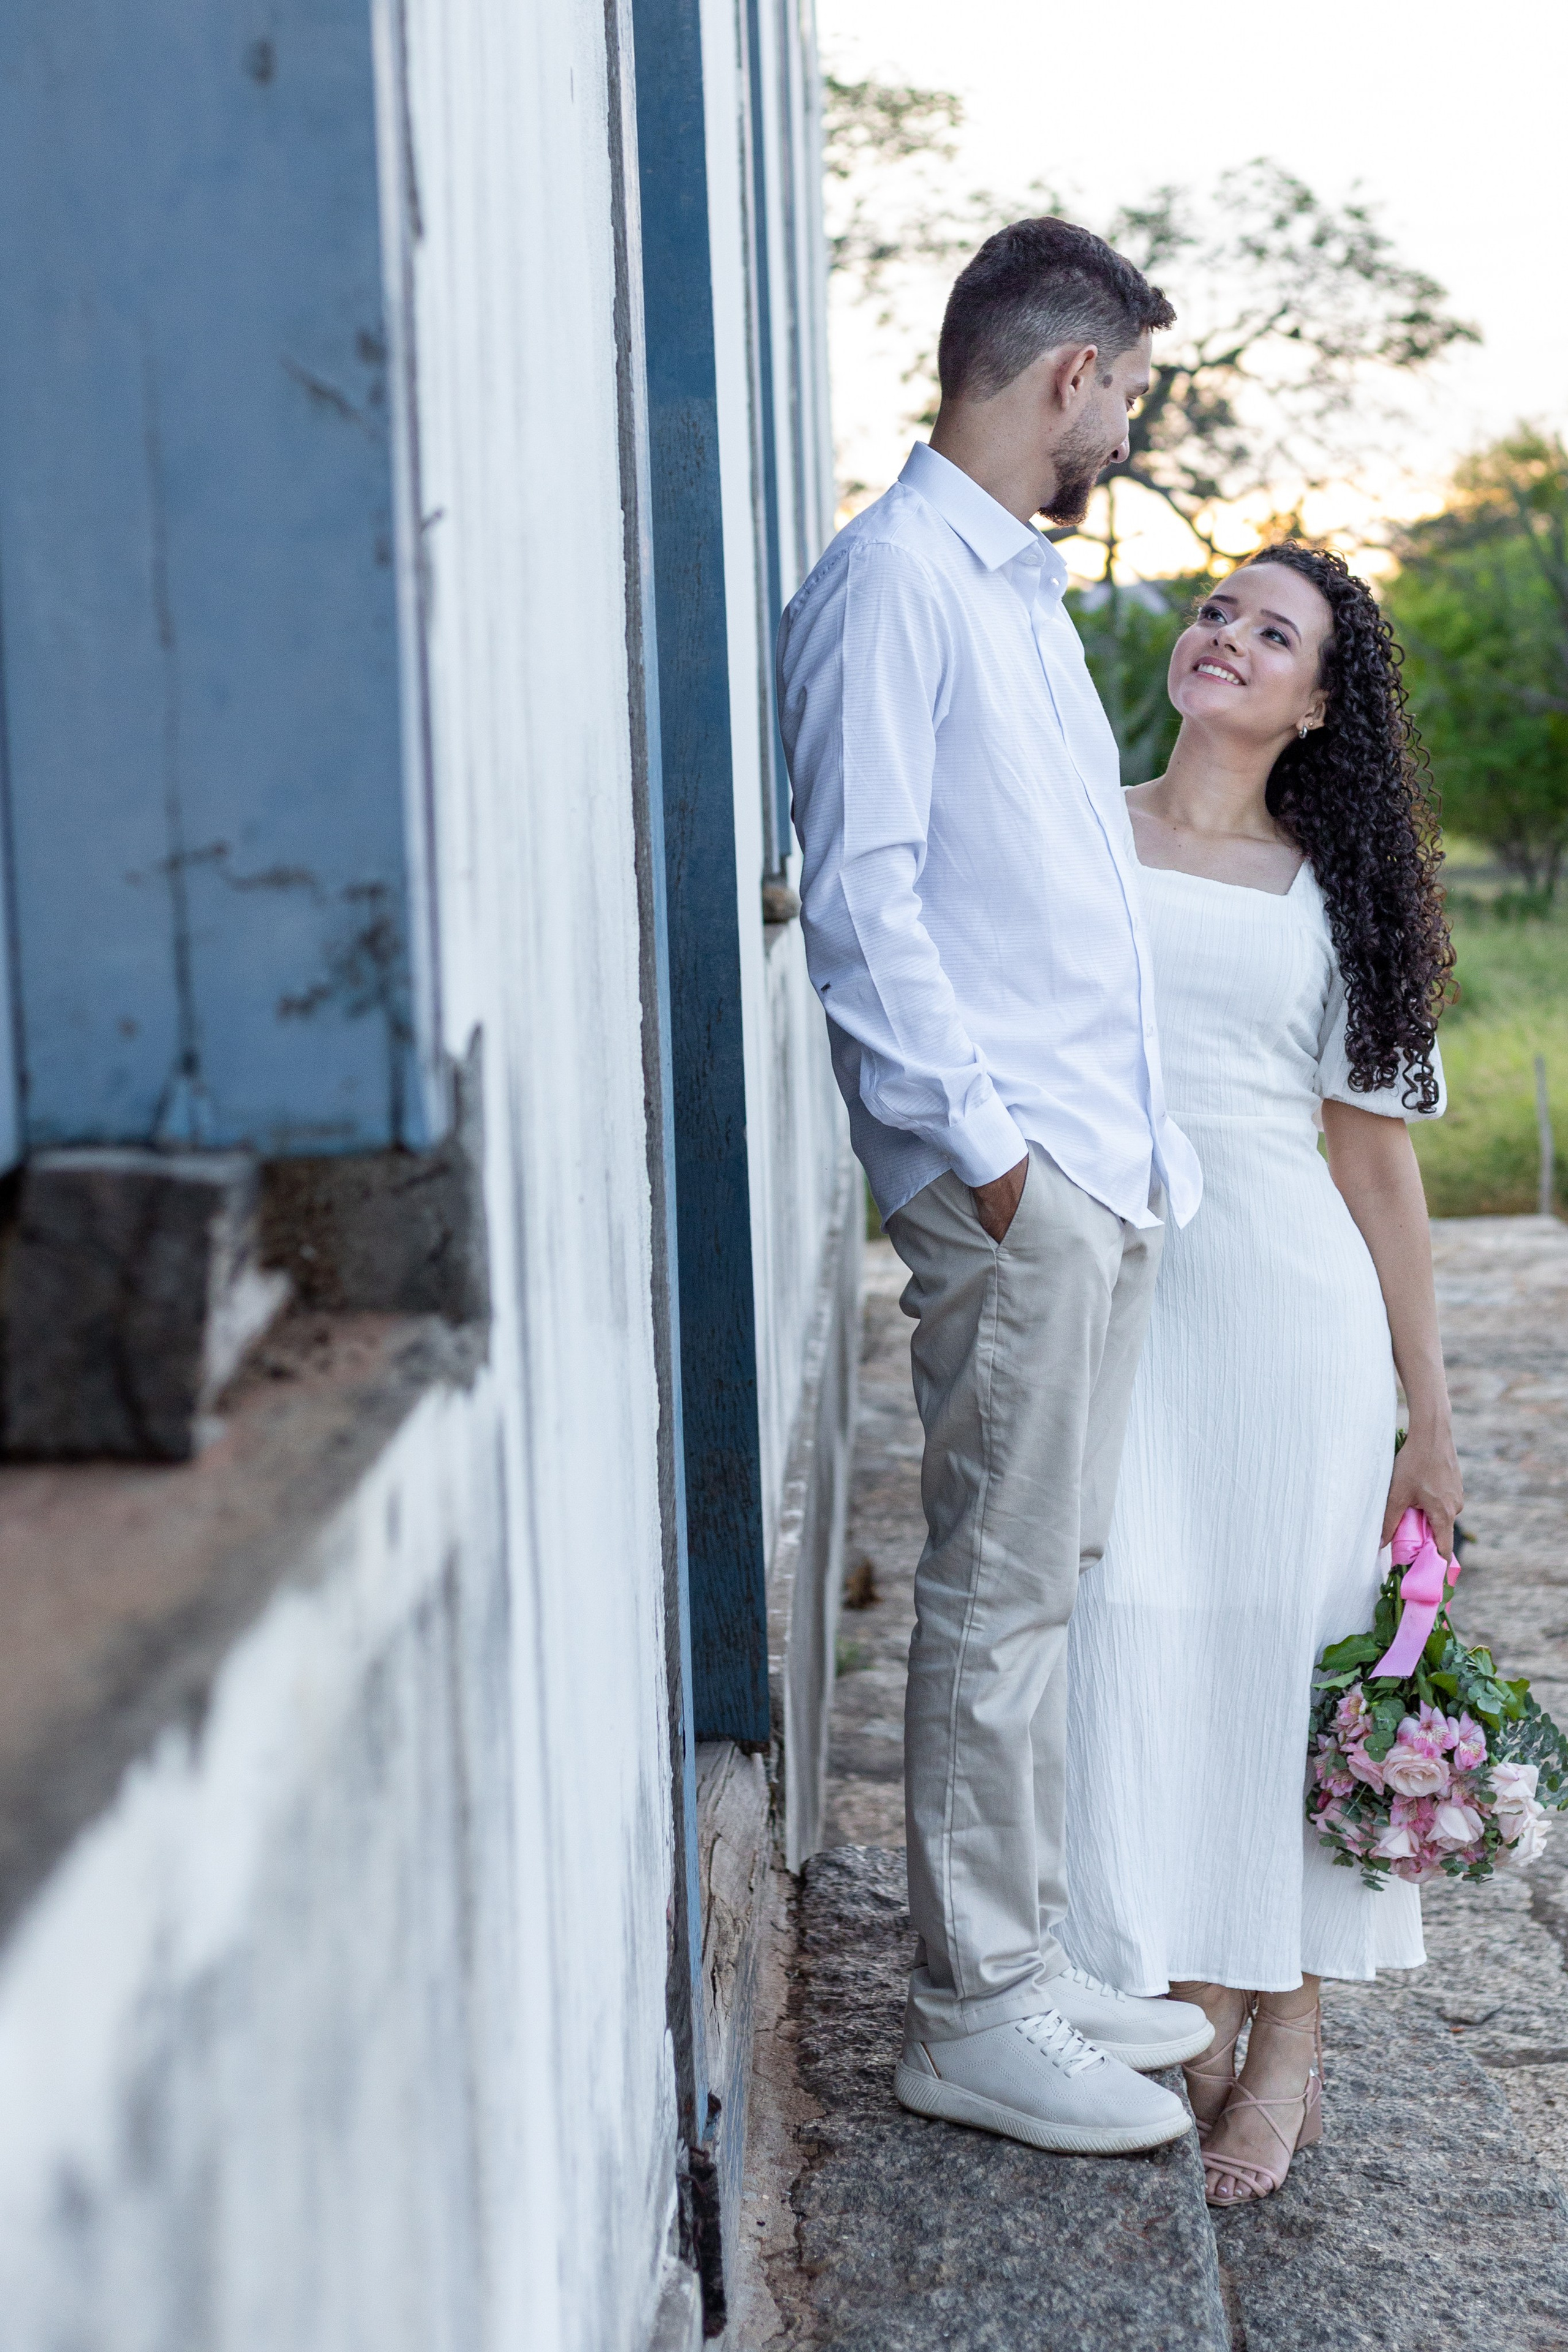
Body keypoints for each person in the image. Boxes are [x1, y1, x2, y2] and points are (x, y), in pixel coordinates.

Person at [778, 218, 1216, 2157]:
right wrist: (990, 1155)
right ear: (1066, 377)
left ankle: (1024, 1957)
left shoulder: (1016, 590)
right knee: (999, 1585)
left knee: (1050, 1578)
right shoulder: (894, 586)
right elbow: (860, 895)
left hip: (1092, 1169)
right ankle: (972, 2009)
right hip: (1014, 1176)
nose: (1124, 417)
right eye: (1124, 385)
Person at [1060, 545, 1462, 2203]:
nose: (1227, 636)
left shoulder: (1334, 893)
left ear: (1314, 705)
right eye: (1218, 607)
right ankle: (1167, 1991)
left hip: (1288, 1323)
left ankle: (1279, 2032)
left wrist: (1427, 1411)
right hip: (1114, 1300)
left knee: (1279, 1663)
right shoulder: (1080, 823)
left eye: (1272, 631)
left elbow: (1374, 1167)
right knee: (1128, 1629)